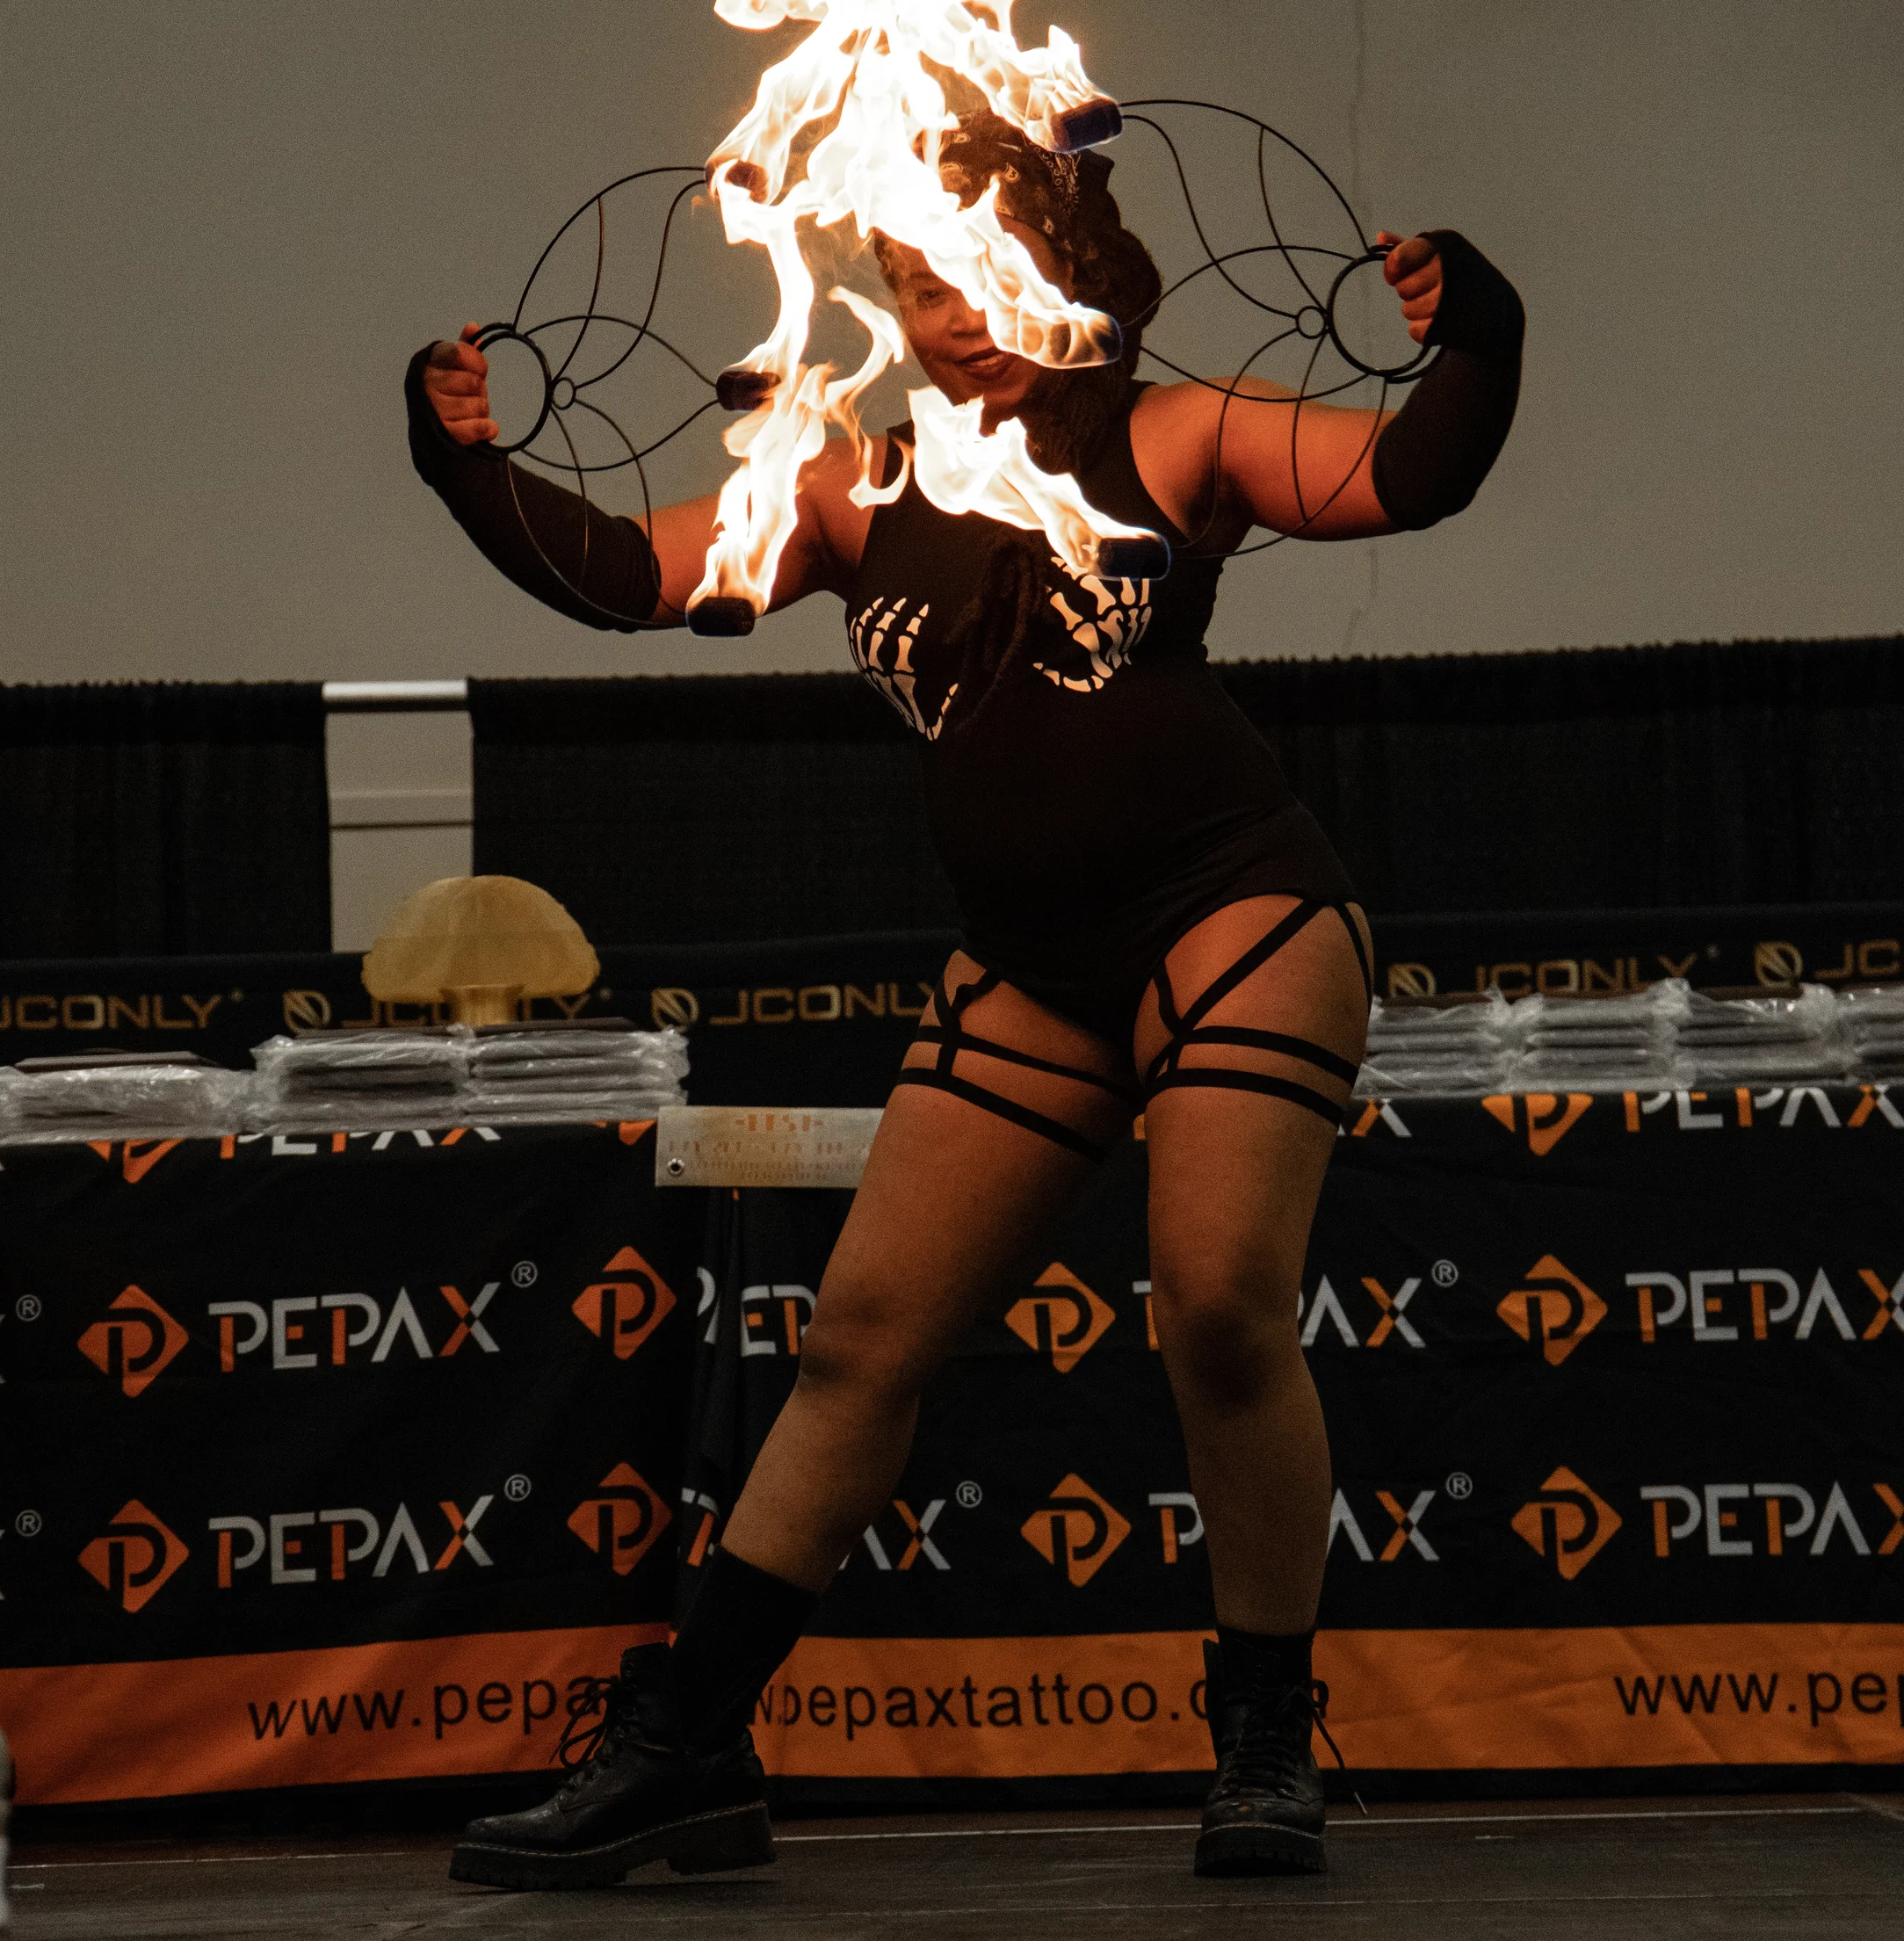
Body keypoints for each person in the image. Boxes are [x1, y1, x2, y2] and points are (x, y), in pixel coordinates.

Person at [404, 113, 1523, 1889]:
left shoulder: (1180, 432)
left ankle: (1260, 1735)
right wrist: (461, 464)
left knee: (1218, 1304)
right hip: (1029, 963)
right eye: (922, 287)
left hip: (1237, 915)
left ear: (1070, 276)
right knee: (857, 1341)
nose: (958, 316)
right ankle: (690, 1745)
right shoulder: (847, 483)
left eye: (988, 277)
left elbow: (1415, 474)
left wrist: (1481, 332)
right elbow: (626, 577)